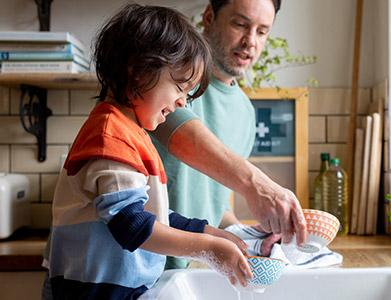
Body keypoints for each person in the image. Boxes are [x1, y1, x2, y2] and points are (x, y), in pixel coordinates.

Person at [44, 4, 252, 299]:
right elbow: (132, 225)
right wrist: (208, 248)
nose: (183, 102)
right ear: (138, 71)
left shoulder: (131, 134)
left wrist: (208, 232)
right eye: (180, 86)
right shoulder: (110, 138)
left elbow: (151, 214)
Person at [150, 0, 306, 270]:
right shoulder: (166, 75)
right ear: (209, 17)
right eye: (240, 24)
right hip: (125, 271)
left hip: (180, 272)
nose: (250, 42)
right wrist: (255, 184)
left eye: (261, 31)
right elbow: (181, 135)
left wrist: (248, 236)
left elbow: (212, 203)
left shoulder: (245, 112)